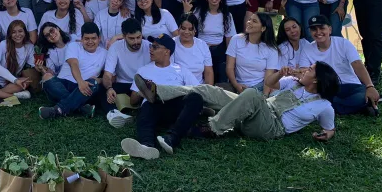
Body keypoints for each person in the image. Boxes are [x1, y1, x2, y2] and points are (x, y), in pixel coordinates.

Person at [136, 60, 341, 143]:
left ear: (317, 80)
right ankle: (159, 92)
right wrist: (280, 73)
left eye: (310, 70)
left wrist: (324, 135)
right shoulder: (294, 83)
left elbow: (329, 129)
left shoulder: (324, 106)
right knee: (208, 89)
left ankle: (213, 127)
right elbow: (269, 83)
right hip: (259, 108)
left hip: (271, 127)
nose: (305, 70)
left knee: (251, 94)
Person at [120, 34, 202, 159]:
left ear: (166, 52)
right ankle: (146, 146)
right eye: (151, 46)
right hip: (154, 107)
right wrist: (142, 92)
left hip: (175, 107)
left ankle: (171, 138)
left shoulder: (181, 70)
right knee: (147, 105)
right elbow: (133, 101)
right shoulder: (143, 71)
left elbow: (198, 90)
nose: (151, 49)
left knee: (196, 97)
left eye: (155, 47)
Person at [298, 15, 381, 116]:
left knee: (360, 96)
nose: (318, 32)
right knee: (319, 96)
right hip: (325, 89)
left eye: (322, 28)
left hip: (350, 86)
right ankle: (362, 106)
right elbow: (304, 72)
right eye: (314, 29)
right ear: (310, 32)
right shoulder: (307, 49)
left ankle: (332, 107)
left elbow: (357, 65)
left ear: (330, 29)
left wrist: (369, 86)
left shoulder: (344, 43)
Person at [39, 22, 107, 119]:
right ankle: (81, 108)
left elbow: (111, 76)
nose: (90, 42)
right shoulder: (74, 46)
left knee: (94, 83)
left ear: (99, 38)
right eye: (86, 39)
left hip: (87, 87)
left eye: (93, 38)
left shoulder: (105, 53)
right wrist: (80, 82)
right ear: (81, 39)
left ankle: (58, 110)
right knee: (46, 77)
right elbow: (73, 64)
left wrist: (99, 80)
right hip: (64, 84)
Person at [101, 18, 151, 128]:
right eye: (131, 38)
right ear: (124, 36)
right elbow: (107, 74)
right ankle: (113, 114)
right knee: (102, 88)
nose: (136, 42)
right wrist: (109, 88)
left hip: (143, 86)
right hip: (124, 84)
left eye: (138, 37)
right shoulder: (115, 47)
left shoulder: (149, 47)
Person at [188, 0, 237, 84]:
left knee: (219, 79)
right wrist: (186, 12)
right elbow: (188, 28)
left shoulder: (227, 15)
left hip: (218, 50)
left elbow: (229, 39)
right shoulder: (198, 12)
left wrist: (229, 60)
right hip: (201, 49)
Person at [225, 12, 279, 93]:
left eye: (254, 21)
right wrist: (236, 85)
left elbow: (268, 77)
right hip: (237, 85)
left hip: (259, 87)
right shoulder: (236, 39)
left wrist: (264, 97)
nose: (249, 22)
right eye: (249, 19)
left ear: (263, 28)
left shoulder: (271, 49)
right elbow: (229, 67)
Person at [173, 13, 214, 85]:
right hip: (177, 87)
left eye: (190, 29)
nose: (186, 32)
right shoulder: (172, 43)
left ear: (195, 30)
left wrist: (208, 92)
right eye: (183, 28)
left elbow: (208, 72)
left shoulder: (202, 45)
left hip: (199, 88)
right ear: (178, 28)